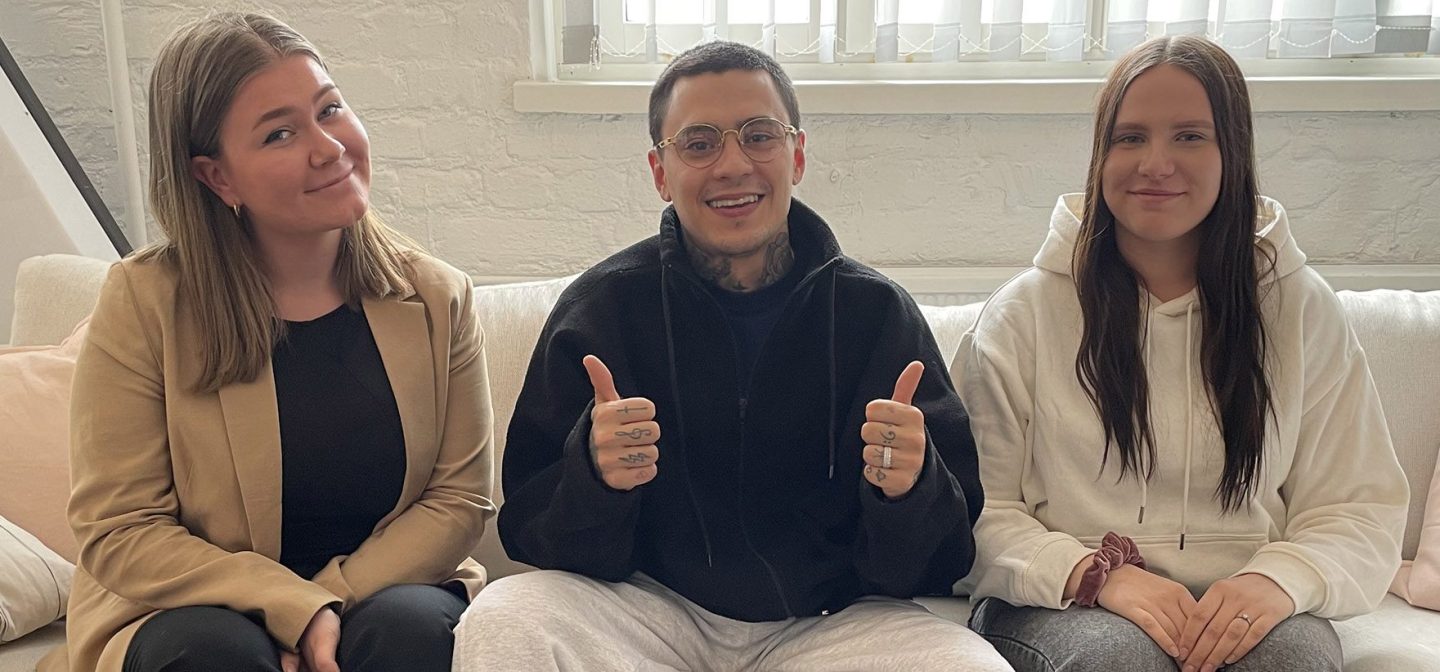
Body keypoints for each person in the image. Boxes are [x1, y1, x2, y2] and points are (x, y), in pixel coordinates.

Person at [452, 40, 1009, 671]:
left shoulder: (877, 315)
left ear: (797, 155)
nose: (733, 164)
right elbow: (531, 530)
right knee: (504, 619)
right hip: (644, 612)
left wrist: (908, 492)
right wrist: (595, 479)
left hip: (834, 624)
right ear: (660, 172)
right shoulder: (601, 311)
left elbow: (941, 561)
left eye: (759, 136)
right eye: (699, 144)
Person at [41, 12, 496, 672]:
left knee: (409, 631)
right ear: (216, 177)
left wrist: (325, 605)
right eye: (280, 133)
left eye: (329, 109)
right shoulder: (143, 304)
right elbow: (122, 528)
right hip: (192, 609)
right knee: (213, 653)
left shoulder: (436, 298)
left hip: (386, 593)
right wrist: (288, 606)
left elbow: (457, 501)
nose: (329, 147)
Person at [954, 35, 1409, 672]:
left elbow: (1359, 506)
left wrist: (1277, 580)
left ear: (1233, 152)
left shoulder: (1301, 307)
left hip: (1243, 589)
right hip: (1061, 596)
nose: (1156, 163)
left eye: (1190, 136)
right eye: (1130, 137)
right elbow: (973, 509)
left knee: (1289, 661)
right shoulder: (1022, 314)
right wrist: (1093, 574)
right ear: (1100, 155)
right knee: (1117, 661)